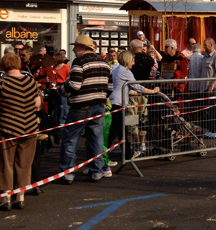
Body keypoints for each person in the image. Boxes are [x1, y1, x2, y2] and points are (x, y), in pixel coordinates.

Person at [0, 52, 41, 210]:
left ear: (3, 65)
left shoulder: (1, 83)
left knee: (6, 163)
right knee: (24, 163)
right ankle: (20, 197)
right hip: (29, 127)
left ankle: (6, 199)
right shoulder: (30, 81)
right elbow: (37, 103)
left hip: (7, 127)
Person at [58, 35, 111, 184]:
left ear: (82, 48)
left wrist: (62, 90)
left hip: (80, 106)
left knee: (70, 140)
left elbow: (74, 85)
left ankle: (68, 173)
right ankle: (96, 171)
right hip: (99, 106)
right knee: (96, 140)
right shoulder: (104, 62)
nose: (74, 49)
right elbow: (110, 88)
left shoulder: (79, 61)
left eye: (76, 47)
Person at [109, 51, 160, 159]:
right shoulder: (126, 72)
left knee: (121, 132)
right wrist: (153, 91)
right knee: (114, 132)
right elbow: (137, 87)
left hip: (115, 101)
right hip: (119, 103)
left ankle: (127, 154)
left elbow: (125, 88)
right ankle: (102, 157)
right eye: (132, 61)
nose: (133, 63)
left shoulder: (116, 69)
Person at [200, 38, 216, 138]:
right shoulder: (204, 57)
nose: (204, 47)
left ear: (211, 45)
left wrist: (212, 85)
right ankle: (210, 129)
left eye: (205, 45)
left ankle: (214, 130)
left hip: (213, 88)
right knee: (209, 110)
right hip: (205, 87)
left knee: (213, 110)